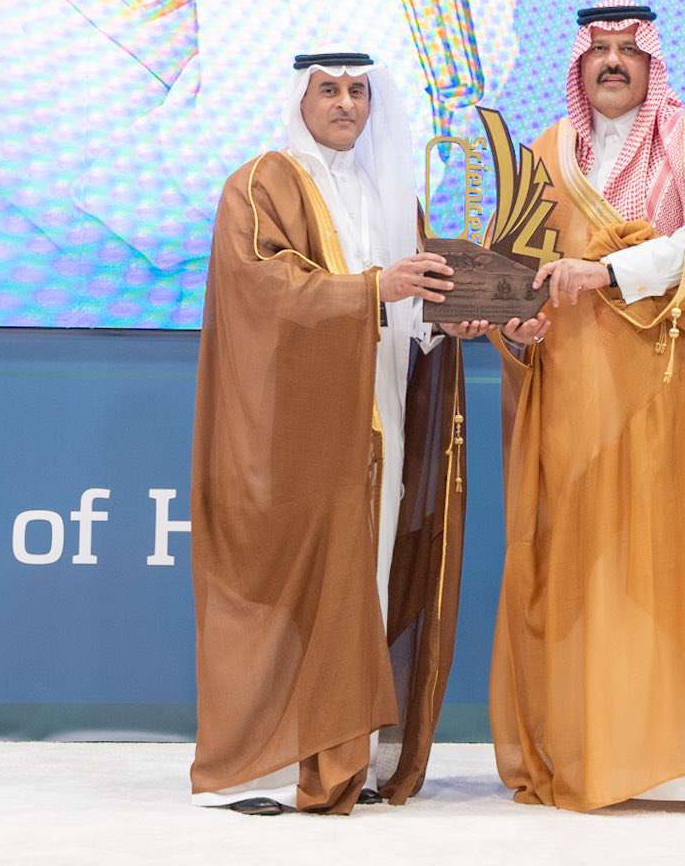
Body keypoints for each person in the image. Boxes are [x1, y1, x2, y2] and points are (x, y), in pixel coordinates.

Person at [188, 51, 487, 815]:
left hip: (379, 420)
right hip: (295, 432)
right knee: (286, 593)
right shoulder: (262, 184)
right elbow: (263, 291)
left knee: (367, 585)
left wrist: (450, 322)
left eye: (358, 90)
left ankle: (347, 755)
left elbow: (412, 310)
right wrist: (373, 289)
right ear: (303, 98)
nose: (346, 103)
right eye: (329, 89)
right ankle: (258, 769)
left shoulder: (395, 196)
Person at [490, 2, 685, 818]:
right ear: (578, 66)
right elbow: (517, 270)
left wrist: (607, 272)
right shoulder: (547, 152)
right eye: (598, 50)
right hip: (572, 396)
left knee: (668, 569)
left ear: (651, 63)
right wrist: (514, 320)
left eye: (627, 50)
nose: (612, 62)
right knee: (581, 570)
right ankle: (586, 749)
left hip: (663, 394)